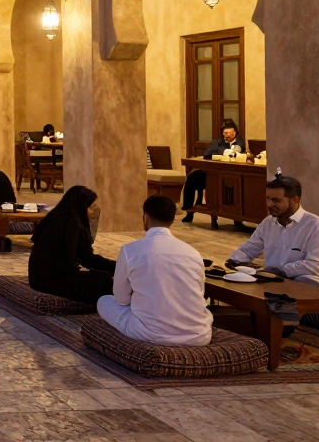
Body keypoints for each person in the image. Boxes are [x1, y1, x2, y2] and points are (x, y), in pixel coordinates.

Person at [97, 195, 213, 347]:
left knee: (104, 301)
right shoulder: (193, 253)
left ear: (146, 217)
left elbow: (121, 299)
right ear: (172, 219)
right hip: (199, 336)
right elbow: (200, 293)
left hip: (150, 333)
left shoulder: (130, 250)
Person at [227, 174, 319, 287]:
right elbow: (248, 250)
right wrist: (235, 260)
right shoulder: (268, 223)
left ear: (295, 200)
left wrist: (281, 271)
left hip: (308, 289)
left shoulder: (316, 226)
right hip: (273, 285)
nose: (269, 204)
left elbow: (317, 265)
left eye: (276, 200)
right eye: (267, 199)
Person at [28, 186, 116, 304]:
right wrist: (116, 267)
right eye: (89, 207)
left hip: (37, 278)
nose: (91, 212)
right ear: (80, 207)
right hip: (52, 280)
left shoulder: (54, 217)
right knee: (106, 283)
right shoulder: (71, 225)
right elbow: (86, 259)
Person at [182, 120, 247, 222]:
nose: (227, 135)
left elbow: (240, 150)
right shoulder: (216, 142)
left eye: (230, 133)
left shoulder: (240, 143)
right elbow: (207, 153)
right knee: (191, 178)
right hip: (210, 173)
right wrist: (225, 152)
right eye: (225, 133)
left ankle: (237, 217)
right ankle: (188, 210)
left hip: (231, 175)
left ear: (235, 132)